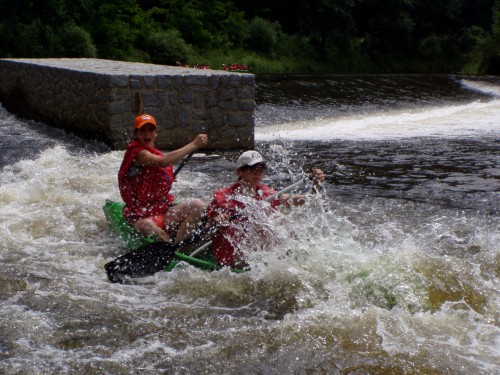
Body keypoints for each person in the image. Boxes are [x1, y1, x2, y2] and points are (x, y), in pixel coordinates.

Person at [206, 150, 325, 268]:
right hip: (230, 254)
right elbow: (209, 227)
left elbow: (298, 199)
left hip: (254, 250)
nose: (258, 172)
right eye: (252, 168)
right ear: (239, 171)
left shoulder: (267, 193)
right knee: (260, 212)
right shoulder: (224, 196)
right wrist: (217, 221)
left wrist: (315, 188)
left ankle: (293, 260)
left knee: (284, 224)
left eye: (261, 168)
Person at [118, 114, 208, 243]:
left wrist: (166, 179)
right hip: (140, 217)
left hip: (162, 211)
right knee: (147, 225)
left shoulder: (155, 153)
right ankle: (168, 247)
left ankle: (179, 246)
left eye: (150, 130)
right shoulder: (138, 153)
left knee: (198, 205)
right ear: (136, 134)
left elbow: (158, 171)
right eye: (142, 131)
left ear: (156, 133)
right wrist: (193, 144)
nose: (147, 134)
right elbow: (163, 162)